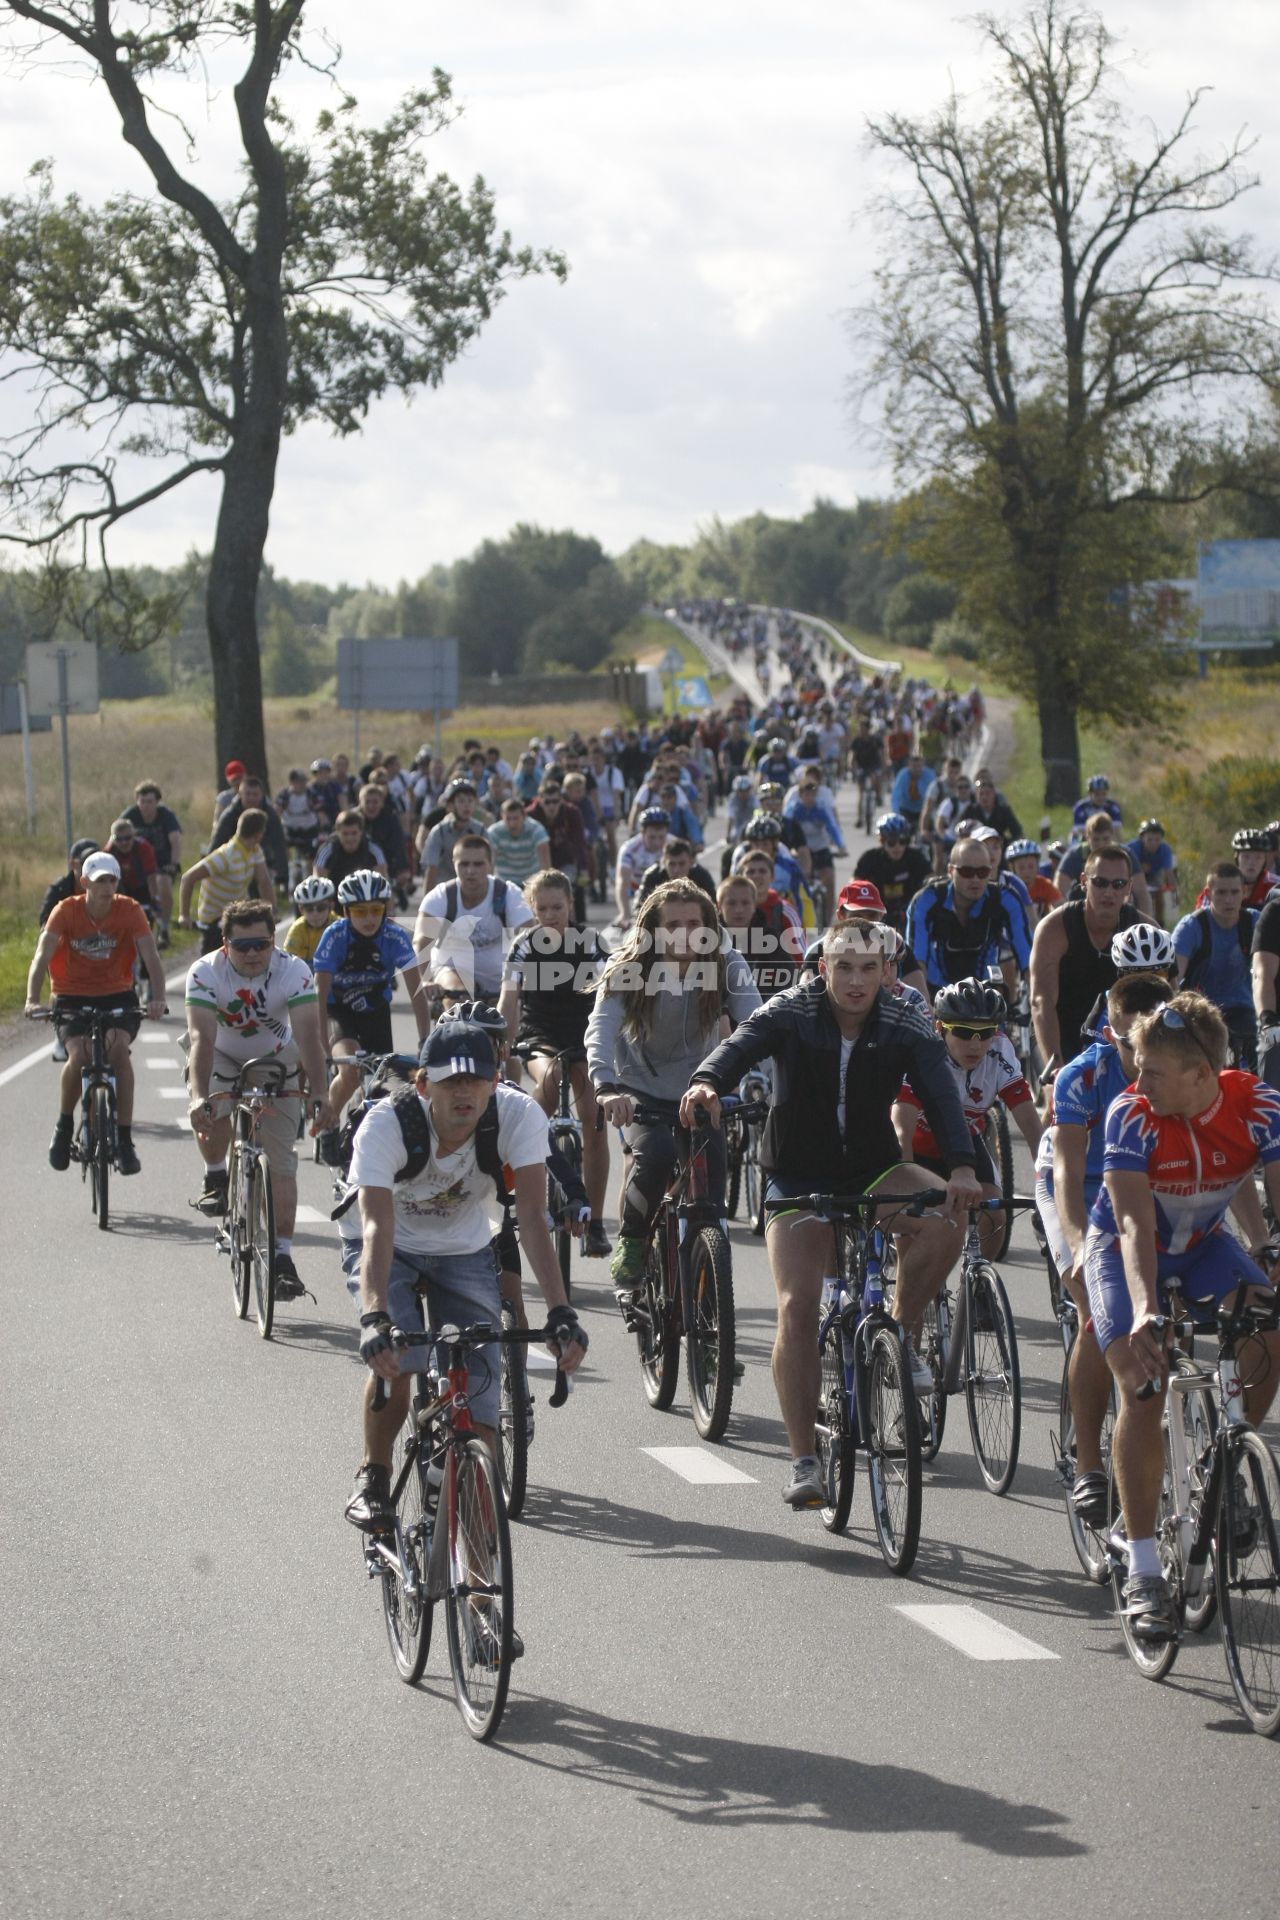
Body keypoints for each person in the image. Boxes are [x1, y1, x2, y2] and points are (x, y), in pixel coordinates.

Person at [680, 923, 981, 1505]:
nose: (856, 980)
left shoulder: (905, 1021)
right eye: (844, 966)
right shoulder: (792, 1009)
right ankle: (804, 1461)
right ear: (824, 969)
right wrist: (706, 1084)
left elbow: (941, 1094)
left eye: (869, 968)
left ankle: (896, 1332)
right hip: (798, 1175)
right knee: (796, 1305)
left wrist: (963, 1168)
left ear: (887, 972)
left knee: (947, 1215)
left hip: (872, 1169)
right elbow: (740, 1044)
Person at [343, 1019, 589, 1555]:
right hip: (391, 1248)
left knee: (479, 1418)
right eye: (450, 1082)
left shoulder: (518, 1114)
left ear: (495, 1079)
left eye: (475, 1081)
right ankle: (374, 1477)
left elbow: (530, 1215)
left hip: (464, 1247)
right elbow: (375, 1228)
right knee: (400, 1364)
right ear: (424, 1084)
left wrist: (561, 1311)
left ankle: (481, 1593)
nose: (464, 1093)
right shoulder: (387, 1126)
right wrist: (375, 1316)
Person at [1083, 993, 1280, 1642]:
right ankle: (1141, 1567)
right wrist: (1143, 1309)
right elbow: (1135, 1224)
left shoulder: (1256, 1106)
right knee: (1144, 1387)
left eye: (1152, 1072)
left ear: (1203, 1075)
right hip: (1124, 1254)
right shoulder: (1130, 1115)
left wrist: (1271, 1251)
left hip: (1201, 1247)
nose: (1137, 1083)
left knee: (1270, 1327)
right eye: (1136, 1068)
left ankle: (1228, 1458)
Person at [1034, 971, 1174, 1527]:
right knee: (1099, 1317)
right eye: (1126, 1043)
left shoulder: (1179, 1065)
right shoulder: (1081, 1076)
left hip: (1137, 1187)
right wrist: (1080, 1255)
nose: (1139, 1056)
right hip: (1078, 1186)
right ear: (1109, 1031)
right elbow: (1068, 1175)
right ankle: (1089, 1464)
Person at [586, 879, 762, 1301]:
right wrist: (605, 1086)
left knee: (710, 1200)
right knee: (658, 1156)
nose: (684, 934)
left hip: (701, 1088)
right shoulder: (628, 965)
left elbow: (757, 1024)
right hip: (638, 1089)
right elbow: (601, 1027)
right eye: (672, 925)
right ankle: (631, 1242)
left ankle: (710, 1324)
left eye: (693, 924)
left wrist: (766, 1081)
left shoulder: (726, 961)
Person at [184, 899, 332, 1296]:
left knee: (282, 1162)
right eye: (242, 945)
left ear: (274, 941)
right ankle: (216, 1174)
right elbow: (201, 1038)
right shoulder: (204, 972)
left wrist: (320, 1091)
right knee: (213, 1107)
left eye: (261, 945)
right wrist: (201, 1097)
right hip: (221, 1051)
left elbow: (308, 1036)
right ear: (225, 943)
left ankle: (282, 1256)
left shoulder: (295, 971)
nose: (252, 954)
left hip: (275, 1056)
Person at [25, 851, 167, 1175]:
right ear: (85, 881)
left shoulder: (129, 911)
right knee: (80, 1055)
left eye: (112, 879)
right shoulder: (66, 911)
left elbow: (151, 957)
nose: (106, 886)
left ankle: (125, 1139)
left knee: (118, 1051)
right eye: (100, 879)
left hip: (117, 993)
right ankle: (63, 1127)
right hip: (70, 995)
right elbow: (41, 957)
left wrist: (158, 997)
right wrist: (33, 999)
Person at [499, 869, 611, 1257]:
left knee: (594, 1117)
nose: (550, 915)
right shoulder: (523, 945)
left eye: (557, 907)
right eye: (542, 908)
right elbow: (508, 1000)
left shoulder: (593, 943)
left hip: (584, 1037)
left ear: (570, 905)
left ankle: (594, 1222)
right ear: (532, 909)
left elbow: (614, 994)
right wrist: (502, 1042)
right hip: (540, 1036)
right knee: (548, 1084)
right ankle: (512, 1184)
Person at [893, 975, 1042, 1259]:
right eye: (962, 1032)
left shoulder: (999, 1051)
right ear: (940, 1028)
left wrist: (1050, 1178)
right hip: (914, 1146)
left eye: (985, 1033)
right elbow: (902, 1131)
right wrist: (906, 1190)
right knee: (912, 1242)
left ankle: (974, 1293)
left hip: (963, 1144)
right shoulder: (921, 1050)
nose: (975, 1045)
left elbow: (1031, 1124)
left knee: (994, 1217)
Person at [314, 869, 429, 1155]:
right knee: (351, 1071)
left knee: (382, 1084)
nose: (368, 919)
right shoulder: (334, 936)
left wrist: (425, 1038)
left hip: (376, 1010)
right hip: (339, 1011)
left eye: (376, 910)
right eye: (360, 911)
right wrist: (319, 1048)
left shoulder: (394, 936)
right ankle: (329, 1122)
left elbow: (418, 991)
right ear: (345, 911)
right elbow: (319, 996)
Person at [1029, 844, 1149, 1081]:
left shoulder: (1144, 930)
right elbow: (1041, 1002)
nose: (1109, 892)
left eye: (1118, 884)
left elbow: (1165, 999)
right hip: (1057, 1034)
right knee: (1061, 1103)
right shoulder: (1055, 928)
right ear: (1084, 882)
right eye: (1100, 882)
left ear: (1129, 887)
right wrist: (1057, 1070)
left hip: (1117, 1038)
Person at [906, 835, 1032, 1000]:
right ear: (951, 871)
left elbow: (1028, 957)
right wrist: (923, 1005)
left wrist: (1036, 998)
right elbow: (916, 962)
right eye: (966, 872)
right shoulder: (927, 900)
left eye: (982, 872)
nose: (975, 879)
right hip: (935, 992)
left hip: (986, 994)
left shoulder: (1005, 898)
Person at [1172, 862, 1258, 1067]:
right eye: (1221, 892)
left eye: (1234, 892)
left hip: (1244, 1011)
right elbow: (1172, 978)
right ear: (1208, 893)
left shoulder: (1254, 922)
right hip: (1201, 1012)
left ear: (1244, 892)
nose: (1228, 900)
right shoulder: (1191, 927)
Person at [179, 808, 274, 954]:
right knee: (212, 970)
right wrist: (184, 915)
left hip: (236, 919)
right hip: (213, 922)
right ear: (258, 834)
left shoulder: (254, 850)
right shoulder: (225, 856)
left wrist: (271, 912)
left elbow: (264, 881)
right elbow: (188, 878)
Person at [123, 782, 182, 943]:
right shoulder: (130, 816)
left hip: (162, 862)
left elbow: (175, 840)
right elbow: (117, 836)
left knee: (163, 884)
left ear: (157, 802)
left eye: (149, 801)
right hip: (138, 864)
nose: (145, 806)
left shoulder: (166, 815)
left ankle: (164, 928)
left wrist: (174, 863)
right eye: (142, 801)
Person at [855, 814, 932, 934]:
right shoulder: (869, 858)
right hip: (876, 912)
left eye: (903, 841)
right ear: (882, 841)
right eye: (891, 842)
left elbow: (930, 879)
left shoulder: (916, 857)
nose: (898, 847)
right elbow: (855, 883)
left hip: (910, 910)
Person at [210, 773, 289, 886]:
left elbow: (279, 843)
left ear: (262, 795)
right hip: (234, 857)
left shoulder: (270, 814)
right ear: (240, 794)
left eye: (255, 794)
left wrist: (282, 874)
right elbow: (218, 839)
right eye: (248, 794)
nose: (251, 798)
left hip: (262, 857)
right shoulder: (230, 814)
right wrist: (211, 865)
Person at [420, 778, 482, 889]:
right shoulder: (439, 832)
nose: (466, 805)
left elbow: (488, 868)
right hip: (444, 888)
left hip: (473, 890)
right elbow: (431, 870)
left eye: (470, 800)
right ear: (450, 806)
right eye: (461, 801)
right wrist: (427, 903)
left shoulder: (480, 831)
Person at [614, 807, 670, 927]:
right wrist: (625, 914)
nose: (657, 842)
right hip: (636, 892)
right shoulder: (629, 849)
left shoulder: (673, 845)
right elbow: (622, 883)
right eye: (652, 837)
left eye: (661, 837)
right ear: (642, 832)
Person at [314, 808, 389, 890]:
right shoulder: (328, 850)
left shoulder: (373, 848)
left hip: (366, 898)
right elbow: (319, 885)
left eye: (354, 833)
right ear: (337, 832)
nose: (350, 838)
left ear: (361, 832)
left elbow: (384, 886)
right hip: (335, 896)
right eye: (345, 834)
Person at [635, 836, 718, 908]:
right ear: (663, 862)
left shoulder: (702, 876)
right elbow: (639, 908)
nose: (676, 870)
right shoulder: (652, 876)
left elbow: (713, 907)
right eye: (672, 864)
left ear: (691, 862)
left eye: (681, 864)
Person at [1125, 818, 1178, 928]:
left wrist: (1174, 891)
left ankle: (1159, 924)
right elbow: (1124, 869)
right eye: (1150, 839)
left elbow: (1169, 872)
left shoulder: (1164, 849)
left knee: (1160, 895)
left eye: (1157, 840)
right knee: (1134, 896)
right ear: (1142, 838)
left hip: (1154, 875)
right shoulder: (1131, 848)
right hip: (1133, 874)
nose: (1153, 843)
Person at [106, 817, 159, 917]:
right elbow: (106, 880)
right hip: (120, 888)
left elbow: (151, 876)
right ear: (112, 839)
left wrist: (154, 899)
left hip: (142, 887)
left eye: (128, 838)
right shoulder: (108, 852)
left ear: (134, 836)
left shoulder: (144, 848)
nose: (124, 843)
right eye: (119, 839)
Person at [38, 837, 98, 926]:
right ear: (72, 864)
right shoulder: (59, 889)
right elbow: (46, 922)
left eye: (97, 863)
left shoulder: (111, 884)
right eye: (86, 863)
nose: (93, 868)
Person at [283, 872, 338, 967]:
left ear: (331, 906)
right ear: (301, 910)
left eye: (321, 908)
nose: (315, 914)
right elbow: (286, 961)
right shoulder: (298, 928)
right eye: (309, 909)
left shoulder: (339, 925)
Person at [889, 752, 936, 837]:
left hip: (923, 810)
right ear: (908, 766)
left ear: (923, 765)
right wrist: (896, 815)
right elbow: (896, 796)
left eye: (919, 766)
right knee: (901, 835)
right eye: (914, 767)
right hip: (906, 809)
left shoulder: (929, 775)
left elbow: (935, 795)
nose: (916, 769)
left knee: (931, 834)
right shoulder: (902, 775)